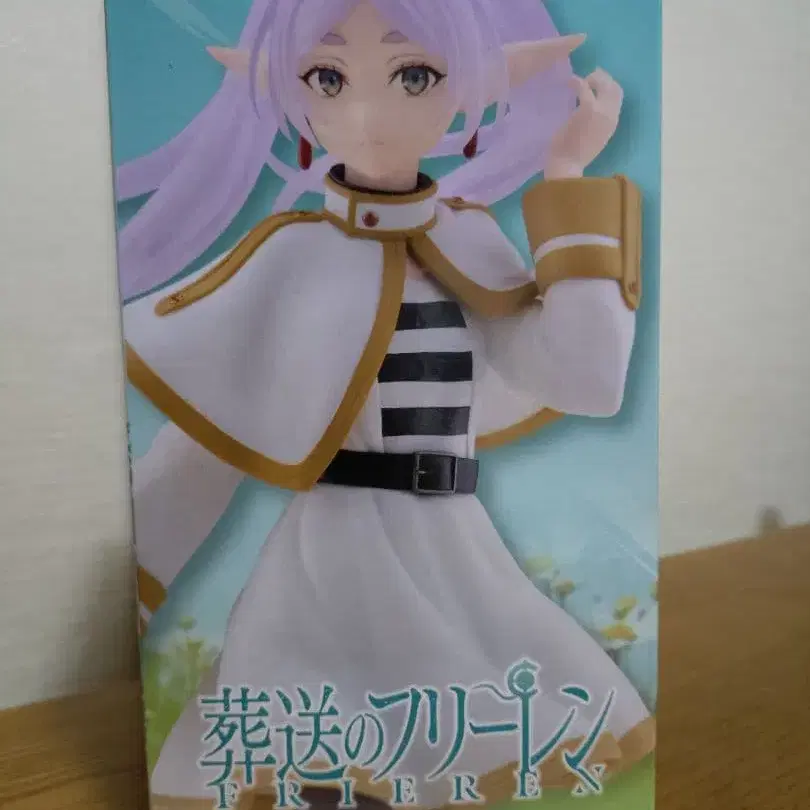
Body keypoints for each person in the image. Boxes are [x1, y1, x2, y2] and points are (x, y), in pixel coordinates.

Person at [120, 1, 653, 807]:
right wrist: (130, 588)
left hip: (455, 566)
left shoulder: (472, 244)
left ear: (476, 87)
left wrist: (567, 178)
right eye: (328, 78)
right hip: (324, 574)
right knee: (316, 760)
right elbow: (203, 452)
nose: (367, 115)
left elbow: (586, 379)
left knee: (465, 743)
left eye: (415, 75)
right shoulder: (289, 260)